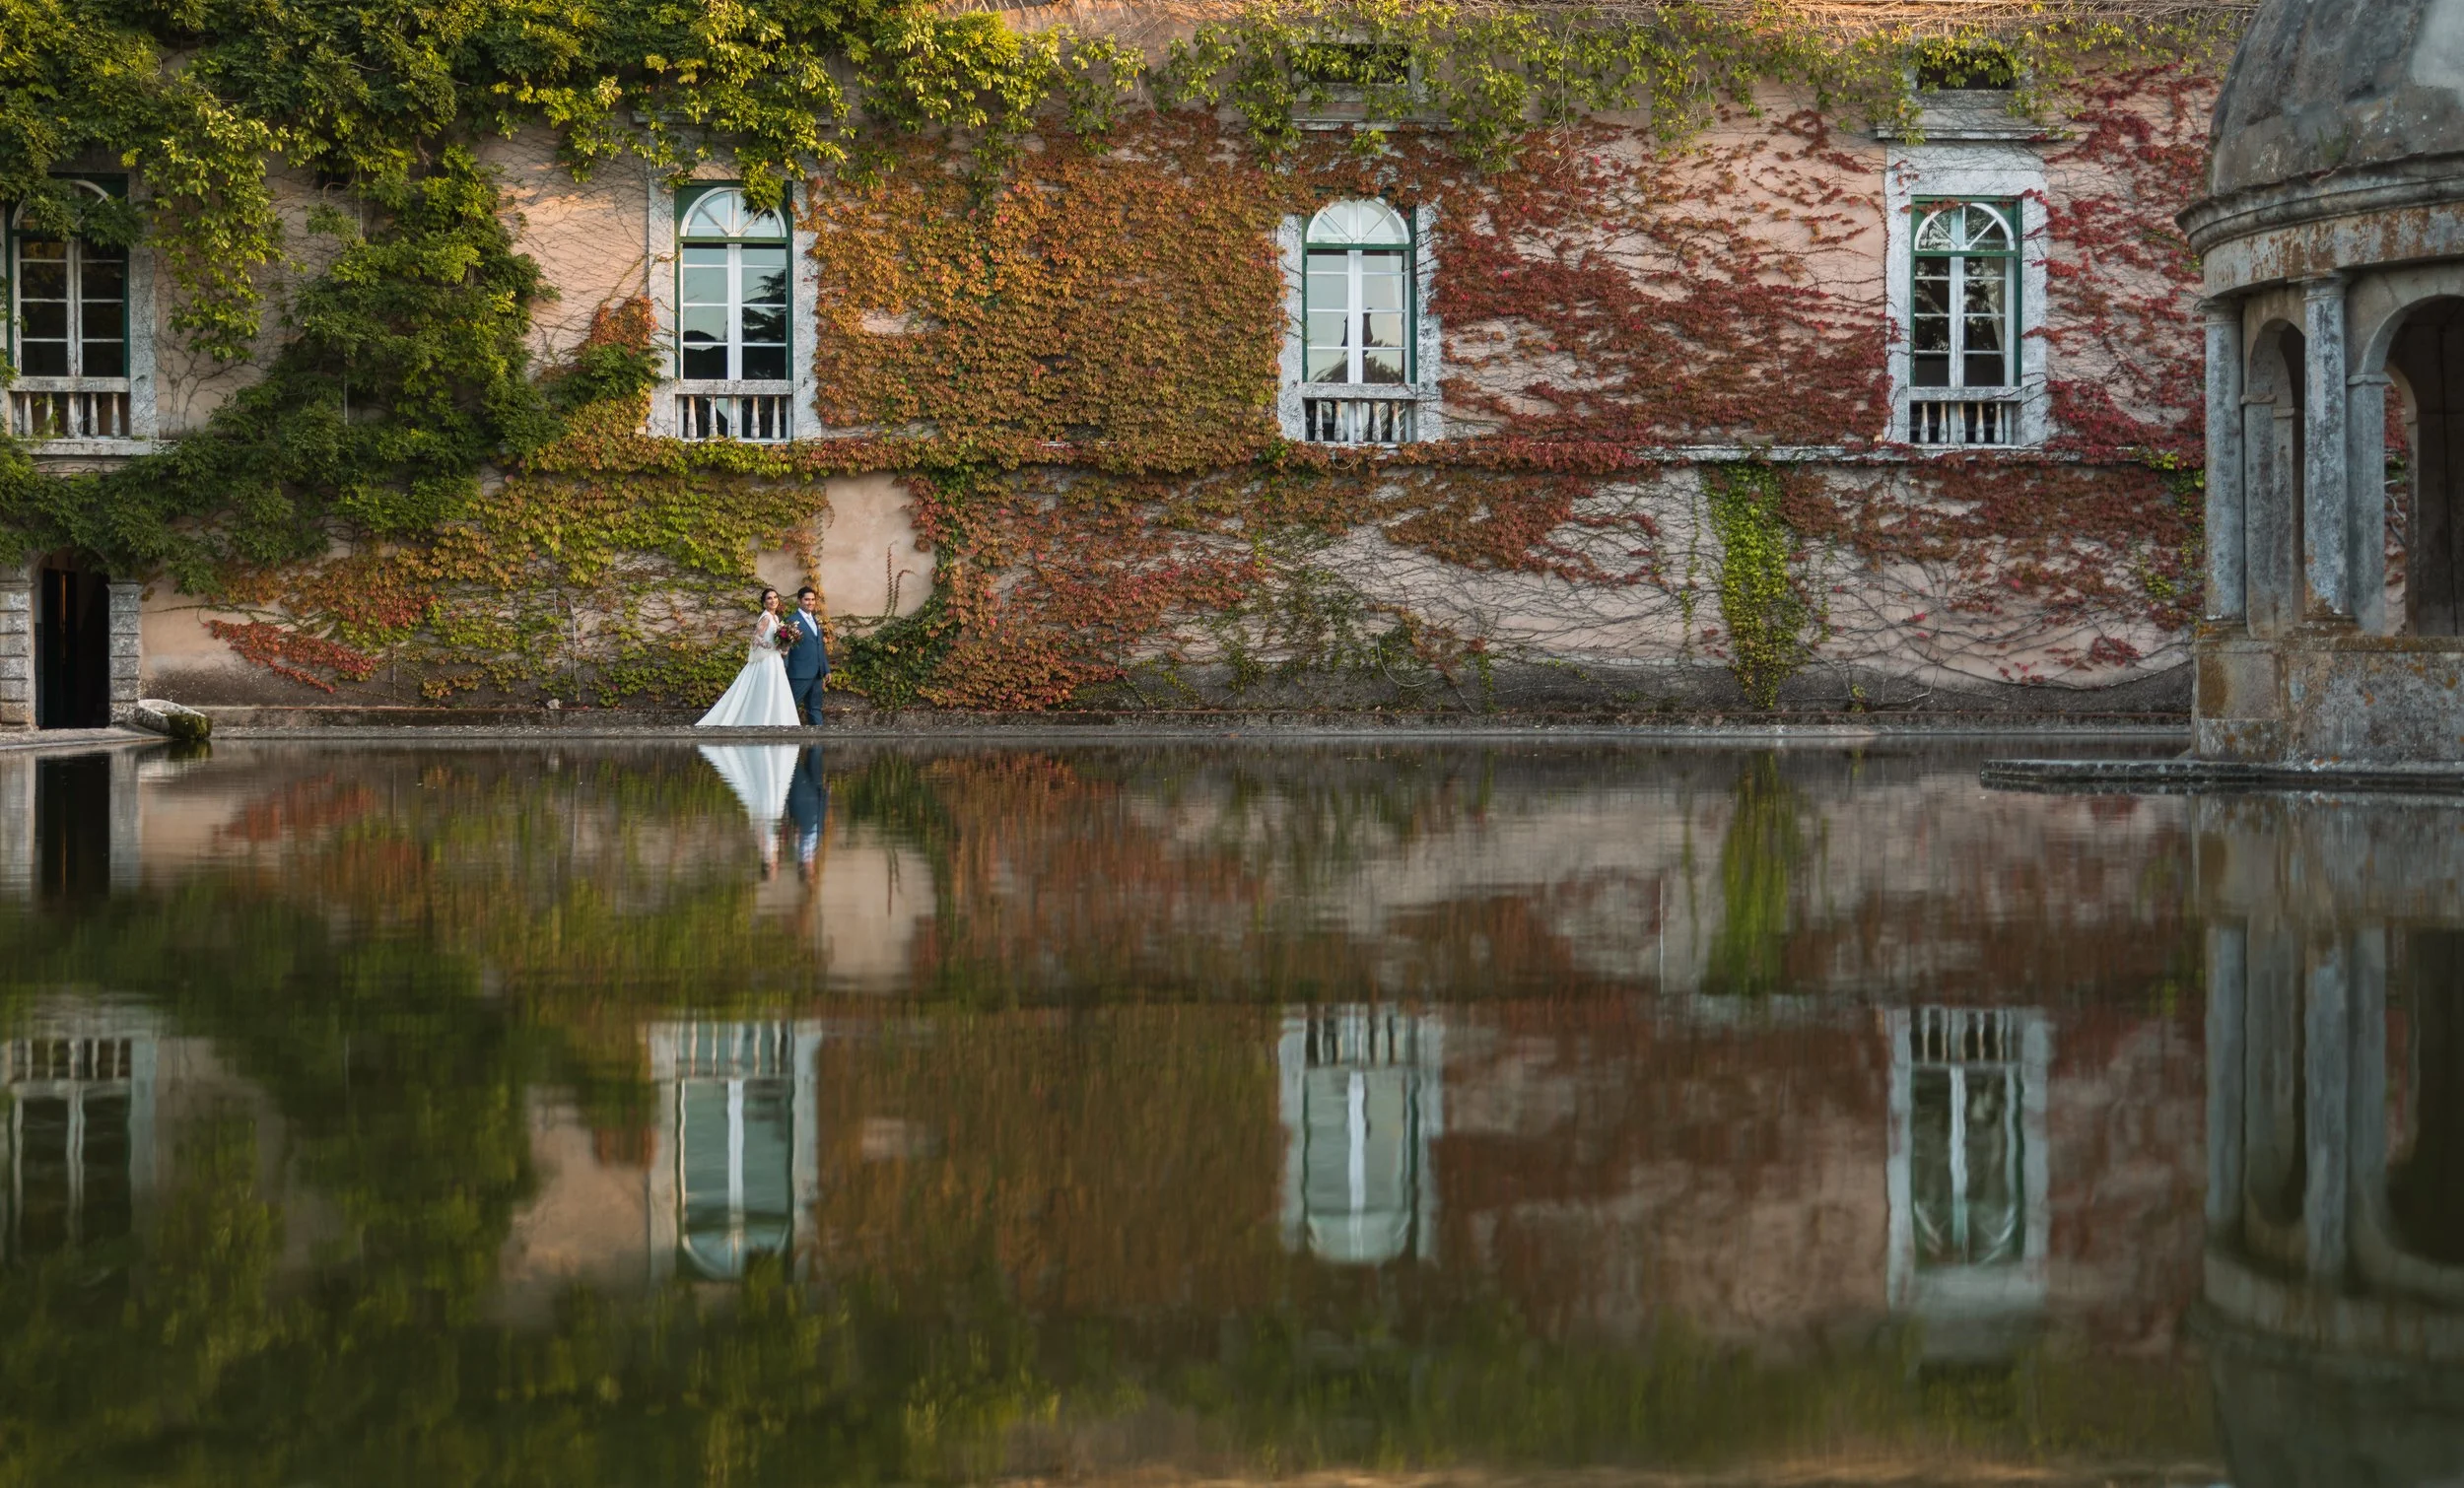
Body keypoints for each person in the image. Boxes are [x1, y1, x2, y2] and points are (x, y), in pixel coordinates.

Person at [695, 588, 800, 728]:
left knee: (776, 689)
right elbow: (756, 638)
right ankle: (763, 721)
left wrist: (784, 646)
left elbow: (776, 642)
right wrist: (771, 646)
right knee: (766, 690)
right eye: (769, 598)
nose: (773, 600)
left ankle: (774, 722)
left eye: (775, 597)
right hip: (766, 661)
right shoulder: (766, 618)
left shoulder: (775, 618)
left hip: (775, 660)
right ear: (764, 603)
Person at [785, 585, 831, 726]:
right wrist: (784, 670)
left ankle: (818, 744)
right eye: (807, 600)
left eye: (812, 600)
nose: (810, 602)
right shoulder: (791, 621)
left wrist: (826, 669)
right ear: (799, 601)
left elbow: (819, 647)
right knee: (790, 707)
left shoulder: (816, 621)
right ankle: (782, 738)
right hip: (799, 673)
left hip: (817, 674)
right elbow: (786, 648)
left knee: (815, 708)